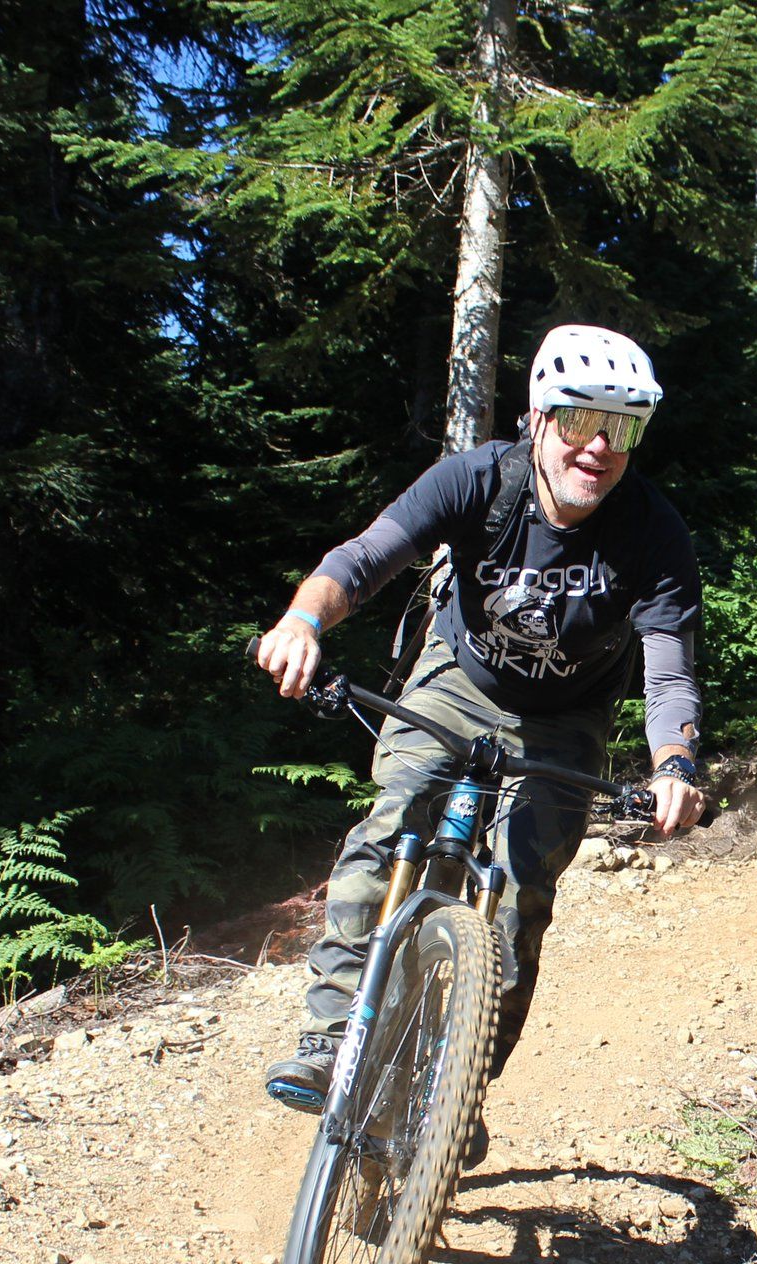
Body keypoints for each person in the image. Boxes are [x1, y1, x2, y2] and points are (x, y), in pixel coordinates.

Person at [252, 325, 708, 1158]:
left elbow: (669, 670)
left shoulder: (654, 531)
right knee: (391, 822)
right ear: (538, 418)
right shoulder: (477, 480)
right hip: (458, 681)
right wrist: (303, 619)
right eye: (579, 422)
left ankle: (459, 1086)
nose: (599, 447)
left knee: (521, 897)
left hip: (563, 721)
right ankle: (331, 1034)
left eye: (625, 428)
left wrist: (674, 763)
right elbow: (366, 557)